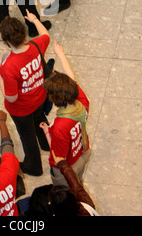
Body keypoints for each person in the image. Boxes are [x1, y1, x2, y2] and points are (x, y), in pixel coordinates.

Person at [0, 10, 50, 176]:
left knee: (27, 137)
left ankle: (33, 166)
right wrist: (34, 19)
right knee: (40, 120)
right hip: (39, 97)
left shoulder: (9, 66)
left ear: (6, 41)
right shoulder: (35, 46)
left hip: (21, 109)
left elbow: (11, 97)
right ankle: (48, 144)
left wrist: (0, 77)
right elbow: (45, 34)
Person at [41, 39, 91, 187]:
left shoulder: (60, 126)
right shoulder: (82, 102)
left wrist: (47, 133)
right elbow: (72, 79)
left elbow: (59, 158)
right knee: (78, 183)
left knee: (67, 193)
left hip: (68, 168)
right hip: (82, 153)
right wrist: (60, 54)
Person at [24, 152, 98, 216]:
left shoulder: (87, 203)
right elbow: (77, 187)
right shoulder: (87, 207)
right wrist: (62, 164)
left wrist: (62, 164)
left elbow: (77, 188)